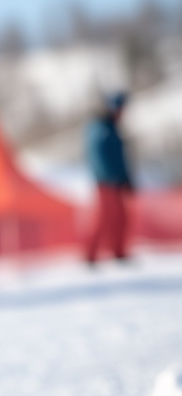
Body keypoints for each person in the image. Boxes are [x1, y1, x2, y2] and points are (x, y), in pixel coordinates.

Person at [83, 91, 134, 265]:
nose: (122, 112)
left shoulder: (112, 128)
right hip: (106, 183)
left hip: (117, 182)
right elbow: (98, 158)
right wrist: (111, 178)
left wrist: (126, 178)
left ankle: (118, 252)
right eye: (119, 108)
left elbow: (120, 157)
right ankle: (90, 255)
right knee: (104, 218)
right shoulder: (100, 128)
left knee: (121, 217)